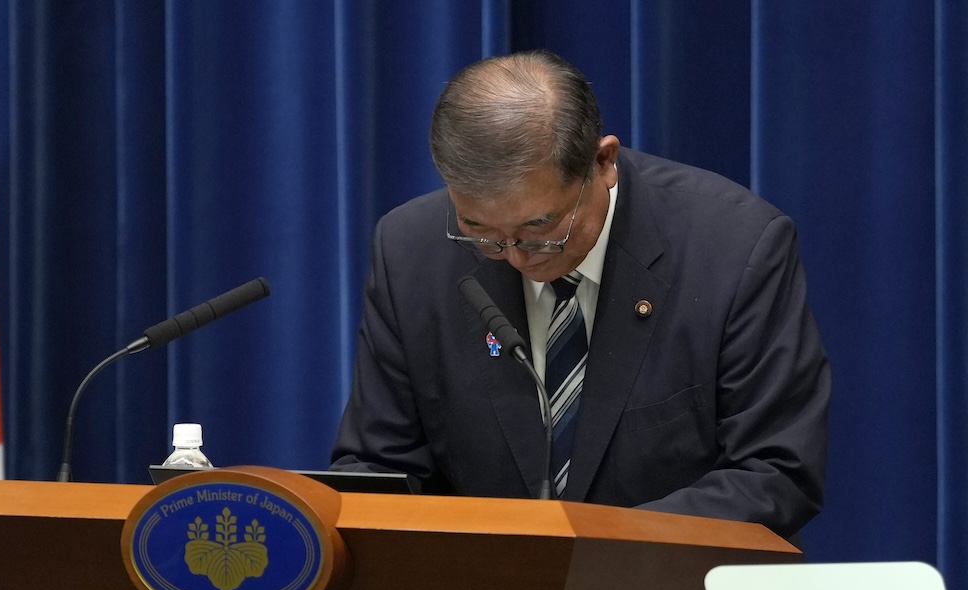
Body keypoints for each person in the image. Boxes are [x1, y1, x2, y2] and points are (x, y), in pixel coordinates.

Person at [330, 50, 830, 539]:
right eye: (479, 230)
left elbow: (774, 470)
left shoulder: (734, 248)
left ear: (603, 162)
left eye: (540, 227)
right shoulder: (410, 250)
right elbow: (381, 469)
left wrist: (594, 555)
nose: (516, 255)